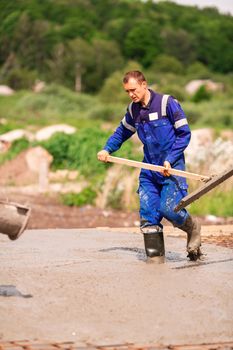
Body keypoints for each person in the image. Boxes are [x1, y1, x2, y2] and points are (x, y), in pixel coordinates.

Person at [97, 70, 201, 261]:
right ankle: (155, 262)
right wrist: (107, 149)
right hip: (149, 169)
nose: (131, 94)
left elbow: (184, 133)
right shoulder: (133, 110)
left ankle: (193, 229)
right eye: (127, 91)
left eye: (133, 90)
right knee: (148, 214)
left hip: (172, 166)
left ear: (144, 85)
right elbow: (121, 133)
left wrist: (170, 158)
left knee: (169, 209)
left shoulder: (166, 103)